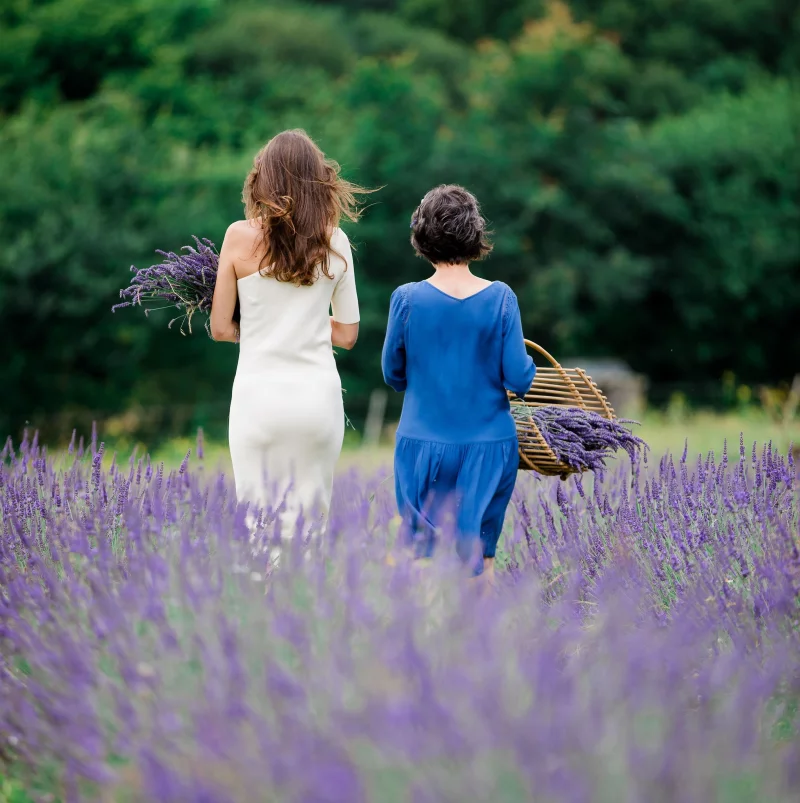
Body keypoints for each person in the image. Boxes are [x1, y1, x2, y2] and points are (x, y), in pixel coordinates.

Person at [210, 129, 366, 537]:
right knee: (310, 526)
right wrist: (309, 323)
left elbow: (220, 328)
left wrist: (262, 325)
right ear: (319, 180)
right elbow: (347, 335)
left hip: (257, 400)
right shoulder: (336, 241)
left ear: (263, 178)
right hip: (316, 400)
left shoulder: (237, 236)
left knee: (257, 524)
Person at [381, 185, 536, 584]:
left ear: (422, 236)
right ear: (475, 233)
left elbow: (392, 374)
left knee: (420, 558)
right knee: (480, 557)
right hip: (489, 446)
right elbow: (519, 378)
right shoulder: (502, 298)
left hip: (421, 445)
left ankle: (427, 625)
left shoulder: (406, 299)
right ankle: (481, 623)